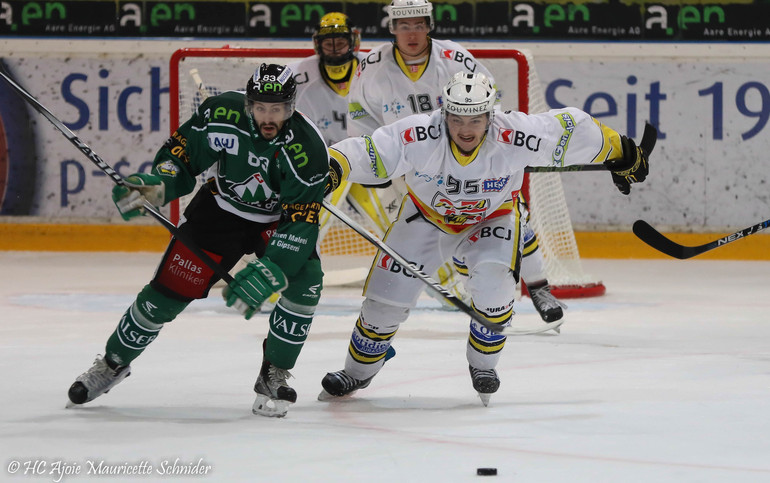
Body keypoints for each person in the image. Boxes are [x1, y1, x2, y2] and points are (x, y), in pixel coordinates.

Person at [321, 72, 652, 405]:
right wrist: (334, 165)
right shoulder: (419, 133)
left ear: (491, 116)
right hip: (425, 218)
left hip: (490, 219)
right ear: (443, 113)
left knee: (495, 291)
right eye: (457, 119)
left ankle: (483, 366)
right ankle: (358, 372)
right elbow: (371, 150)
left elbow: (571, 127)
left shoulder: (517, 134)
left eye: (476, 119)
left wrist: (622, 150)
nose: (466, 129)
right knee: (383, 300)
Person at [66, 63, 329, 418]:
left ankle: (274, 373)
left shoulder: (308, 148)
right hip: (220, 211)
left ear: (291, 107)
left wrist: (273, 269)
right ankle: (112, 363)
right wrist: (157, 185)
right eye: (261, 108)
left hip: (276, 221)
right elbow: (181, 156)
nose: (269, 118)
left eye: (278, 109)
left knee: (305, 283)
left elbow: (301, 218)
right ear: (249, 104)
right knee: (166, 294)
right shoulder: (220, 113)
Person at [346, 0, 564, 322]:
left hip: (466, 153)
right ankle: (414, 303)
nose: (412, 33)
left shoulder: (454, 59)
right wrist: (378, 163)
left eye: (419, 24)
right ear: (392, 28)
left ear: (430, 25)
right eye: (404, 26)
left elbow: (491, 103)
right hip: (409, 166)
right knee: (422, 232)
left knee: (506, 213)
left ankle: (538, 285)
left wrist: (492, 149)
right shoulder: (373, 65)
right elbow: (359, 112)